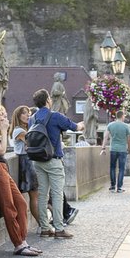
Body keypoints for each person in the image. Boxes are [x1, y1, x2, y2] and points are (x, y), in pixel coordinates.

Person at [0, 99, 42, 257]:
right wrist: (4, 131)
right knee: (9, 206)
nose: (1, 114)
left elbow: (0, 150)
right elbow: (2, 149)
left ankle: (23, 241)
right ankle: (18, 244)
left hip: (1, 167)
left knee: (21, 203)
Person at [26, 89, 80, 239]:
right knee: (56, 195)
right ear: (48, 100)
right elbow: (75, 127)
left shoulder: (32, 118)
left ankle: (44, 227)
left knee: (42, 195)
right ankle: (59, 229)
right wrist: (81, 126)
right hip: (53, 160)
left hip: (37, 160)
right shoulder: (55, 116)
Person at [105, 111, 130, 192]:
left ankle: (112, 186)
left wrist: (103, 147)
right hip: (122, 150)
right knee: (121, 169)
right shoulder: (126, 126)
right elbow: (129, 140)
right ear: (122, 116)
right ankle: (119, 188)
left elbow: (106, 137)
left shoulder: (110, 125)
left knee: (112, 168)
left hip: (113, 149)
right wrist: (129, 149)